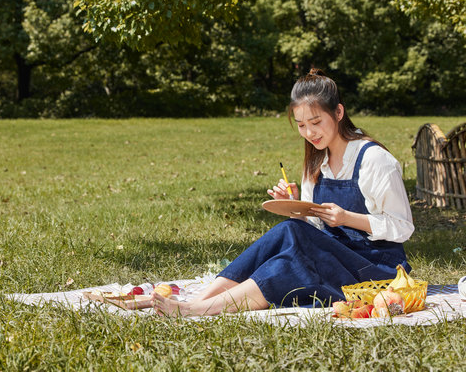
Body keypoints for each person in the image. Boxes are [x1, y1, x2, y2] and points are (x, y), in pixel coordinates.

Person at [152, 68, 414, 316]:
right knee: (290, 232)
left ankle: (196, 310)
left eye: (315, 122)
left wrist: (347, 218)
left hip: (377, 273)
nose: (309, 133)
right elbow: (313, 230)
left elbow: (402, 227)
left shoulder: (374, 160)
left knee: (291, 264)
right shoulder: (316, 161)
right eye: (301, 125)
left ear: (338, 112)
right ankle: (199, 301)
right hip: (334, 259)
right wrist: (294, 207)